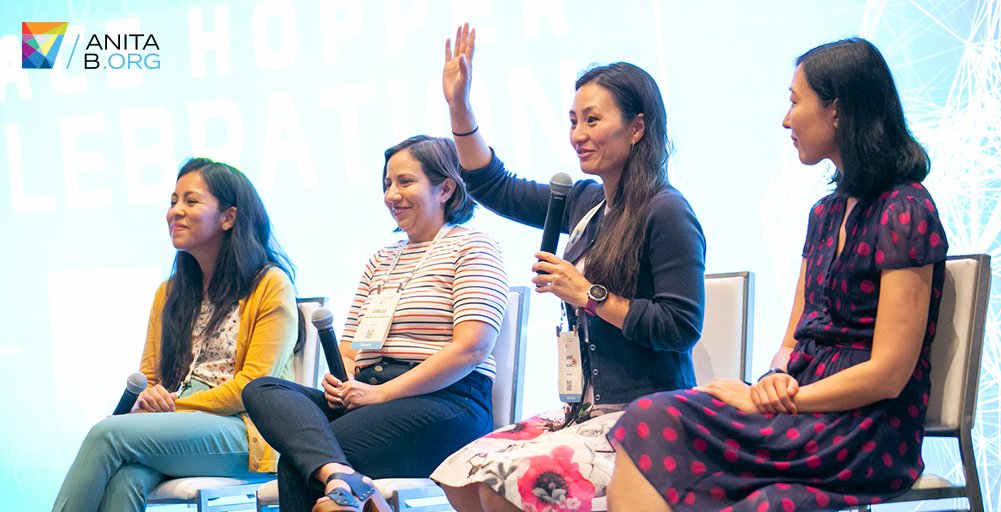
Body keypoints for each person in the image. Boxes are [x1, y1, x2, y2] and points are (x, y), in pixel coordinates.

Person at [606, 38, 949, 511]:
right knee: (650, 416)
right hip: (800, 403)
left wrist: (771, 400)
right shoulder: (825, 214)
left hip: (864, 425)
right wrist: (772, 379)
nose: (786, 120)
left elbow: (888, 374)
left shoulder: (906, 210)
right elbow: (792, 339)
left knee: (739, 483)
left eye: (795, 102)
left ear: (836, 111)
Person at [430, 23, 706, 511]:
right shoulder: (585, 202)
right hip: (583, 411)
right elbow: (492, 184)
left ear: (637, 127)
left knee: (503, 483)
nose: (577, 135)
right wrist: (460, 107)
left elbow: (680, 326)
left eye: (592, 121)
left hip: (647, 417)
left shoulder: (666, 210)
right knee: (459, 474)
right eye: (573, 121)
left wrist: (588, 294)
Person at [242, 135, 509, 512]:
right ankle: (341, 475)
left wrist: (383, 394)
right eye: (387, 184)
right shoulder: (381, 259)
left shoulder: (474, 247)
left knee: (300, 462)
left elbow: (472, 348)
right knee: (262, 389)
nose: (391, 195)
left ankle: (339, 475)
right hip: (369, 396)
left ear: (445, 188)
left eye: (405, 182)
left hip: (447, 402)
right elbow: (350, 350)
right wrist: (343, 381)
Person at [52, 159, 298, 512]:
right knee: (126, 479)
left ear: (229, 217)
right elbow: (150, 378)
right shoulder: (169, 293)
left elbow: (251, 388)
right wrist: (149, 400)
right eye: (173, 201)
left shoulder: (270, 285)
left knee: (107, 434)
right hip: (177, 423)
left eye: (191, 201)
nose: (175, 211)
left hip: (243, 428)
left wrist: (170, 408)